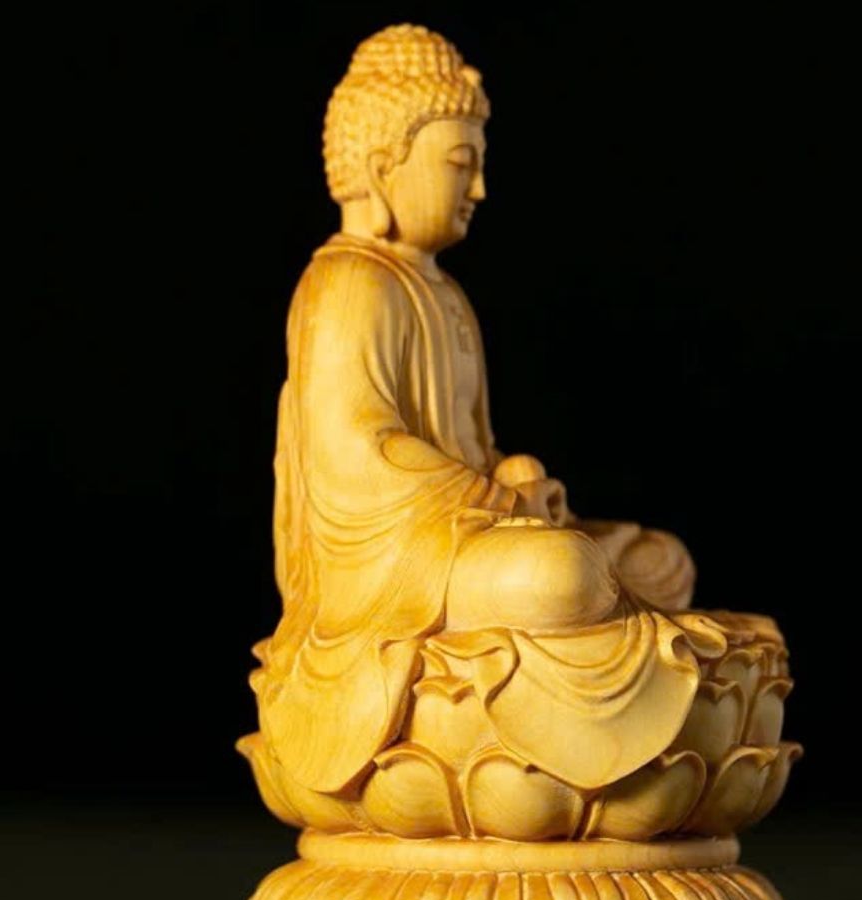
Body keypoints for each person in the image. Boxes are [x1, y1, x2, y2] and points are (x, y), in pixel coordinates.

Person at [251, 24, 699, 798]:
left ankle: (583, 649)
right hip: (391, 574)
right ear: (384, 163)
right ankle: (558, 737)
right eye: (462, 163)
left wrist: (513, 480)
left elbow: (472, 445)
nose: (480, 188)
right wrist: (494, 497)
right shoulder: (347, 285)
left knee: (660, 562)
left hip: (466, 538)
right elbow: (356, 456)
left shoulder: (447, 296)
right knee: (561, 576)